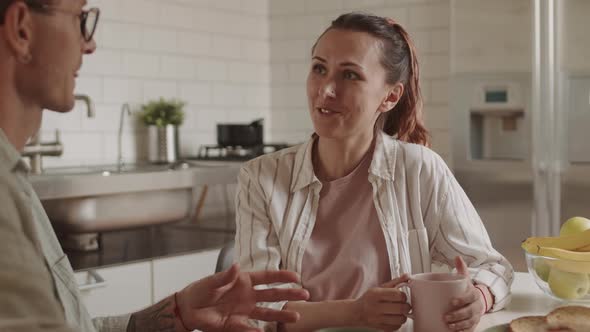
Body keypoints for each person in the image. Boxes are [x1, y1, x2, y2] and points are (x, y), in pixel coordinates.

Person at [0, 0, 309, 331]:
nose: (89, 44)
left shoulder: (13, 183)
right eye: (81, 19)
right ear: (22, 28)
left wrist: (176, 314)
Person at [235, 12, 514, 332]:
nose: (326, 90)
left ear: (390, 96)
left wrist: (478, 296)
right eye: (319, 68)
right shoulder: (261, 177)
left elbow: (492, 267)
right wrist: (352, 313)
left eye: (350, 75)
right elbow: (256, 307)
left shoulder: (419, 169)